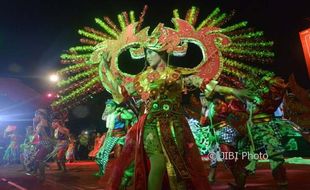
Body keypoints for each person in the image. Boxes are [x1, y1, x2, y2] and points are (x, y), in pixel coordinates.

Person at [95, 100, 134, 177]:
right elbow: (109, 130)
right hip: (111, 136)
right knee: (100, 155)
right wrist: (105, 142)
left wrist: (123, 110)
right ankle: (101, 172)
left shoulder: (119, 114)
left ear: (114, 106)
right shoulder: (110, 116)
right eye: (106, 106)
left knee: (118, 156)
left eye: (108, 106)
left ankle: (121, 173)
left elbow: (130, 116)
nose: (106, 108)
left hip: (119, 137)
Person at [31, 109, 53, 181]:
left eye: (36, 115)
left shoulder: (43, 122)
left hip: (46, 143)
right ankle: (37, 173)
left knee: (40, 159)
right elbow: (36, 132)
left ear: (40, 115)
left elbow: (38, 134)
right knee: (38, 158)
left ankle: (42, 176)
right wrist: (34, 123)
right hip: (43, 143)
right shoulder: (41, 123)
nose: (35, 117)